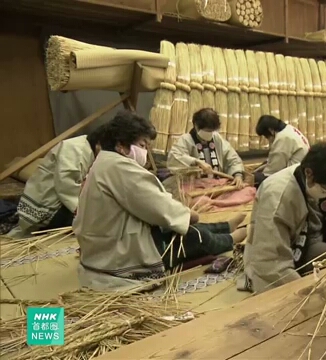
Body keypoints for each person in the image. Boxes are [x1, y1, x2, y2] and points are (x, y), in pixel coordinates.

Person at [73, 111, 247, 291]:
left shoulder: (105, 161)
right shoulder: (121, 167)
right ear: (121, 146)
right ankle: (229, 239)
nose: (145, 151)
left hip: (105, 244)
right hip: (117, 251)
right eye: (142, 145)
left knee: (186, 222)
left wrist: (238, 174)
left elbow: (232, 157)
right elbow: (158, 206)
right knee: (191, 234)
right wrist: (195, 165)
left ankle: (226, 226)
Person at [239, 142, 326, 294]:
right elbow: (271, 261)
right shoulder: (277, 195)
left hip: (311, 244)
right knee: (300, 298)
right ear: (309, 174)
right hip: (284, 251)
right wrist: (305, 291)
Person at [9, 125, 106, 238]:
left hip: (58, 201)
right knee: (101, 220)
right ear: (99, 143)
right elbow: (67, 188)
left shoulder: (87, 147)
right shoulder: (75, 150)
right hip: (47, 207)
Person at [167, 108, 245, 189]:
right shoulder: (185, 140)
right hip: (193, 186)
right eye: (207, 130)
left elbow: (233, 158)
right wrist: (196, 162)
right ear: (196, 126)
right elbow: (174, 158)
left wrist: (237, 175)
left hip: (217, 184)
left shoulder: (217, 138)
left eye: (212, 131)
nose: (210, 133)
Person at [252, 115, 310, 188]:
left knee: (255, 178)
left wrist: (256, 174)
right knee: (262, 166)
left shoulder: (282, 138)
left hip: (295, 177)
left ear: (271, 130)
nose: (268, 140)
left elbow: (273, 170)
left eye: (266, 136)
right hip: (300, 169)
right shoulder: (289, 129)